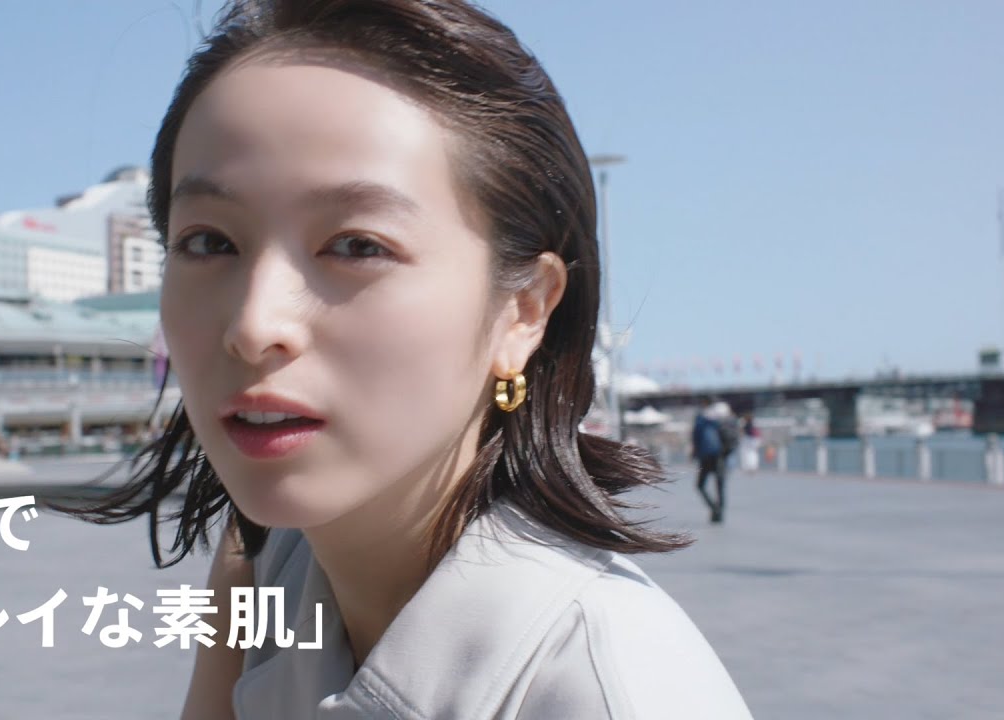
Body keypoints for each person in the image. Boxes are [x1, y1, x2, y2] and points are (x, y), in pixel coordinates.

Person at [68, 1, 753, 717]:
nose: (253, 325)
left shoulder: (609, 692)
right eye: (209, 242)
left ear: (524, 310)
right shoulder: (263, 562)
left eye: (357, 245)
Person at [692, 398, 727, 524]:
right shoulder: (719, 417)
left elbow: (695, 436)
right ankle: (719, 513)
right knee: (720, 485)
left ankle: (714, 508)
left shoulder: (700, 418)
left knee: (700, 485)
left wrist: (694, 452)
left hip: (705, 455)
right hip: (718, 454)